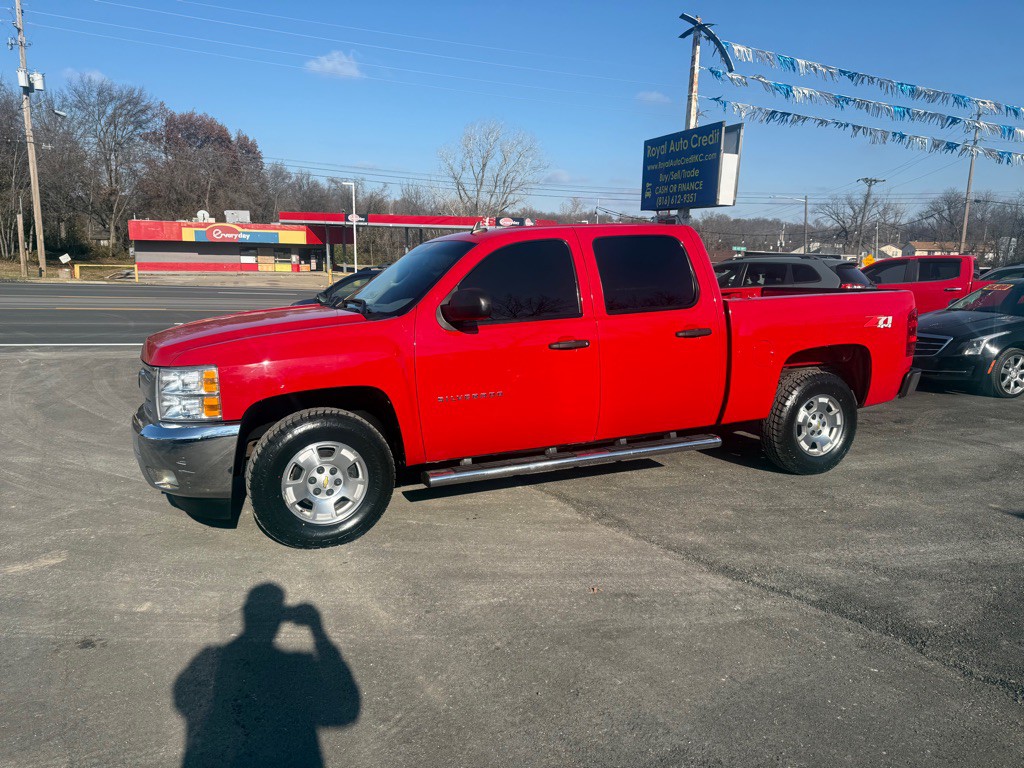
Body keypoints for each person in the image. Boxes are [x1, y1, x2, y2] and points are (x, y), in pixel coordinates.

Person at [174, 583, 360, 767]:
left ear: (245, 613)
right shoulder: (297, 668)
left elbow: (185, 699)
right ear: (281, 618)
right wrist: (318, 631)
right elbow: (345, 709)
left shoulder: (214, 660)